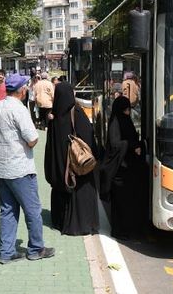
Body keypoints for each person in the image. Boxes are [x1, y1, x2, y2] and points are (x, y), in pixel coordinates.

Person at [0, 73, 54, 264]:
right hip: (20, 169)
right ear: (22, 91)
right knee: (32, 210)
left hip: (0, 168)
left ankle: (6, 252)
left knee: (7, 210)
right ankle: (36, 248)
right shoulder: (20, 110)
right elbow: (32, 139)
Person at [44, 82, 99, 236]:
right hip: (77, 165)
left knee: (61, 192)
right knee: (82, 191)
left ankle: (60, 222)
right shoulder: (77, 113)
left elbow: (50, 146)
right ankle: (82, 224)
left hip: (61, 169)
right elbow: (88, 137)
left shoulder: (54, 117)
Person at [99, 96, 148, 240]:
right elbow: (115, 145)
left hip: (128, 167)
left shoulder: (124, 120)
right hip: (120, 169)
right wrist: (132, 146)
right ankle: (120, 230)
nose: (128, 112)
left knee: (129, 201)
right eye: (126, 109)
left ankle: (129, 228)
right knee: (121, 202)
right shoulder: (115, 122)